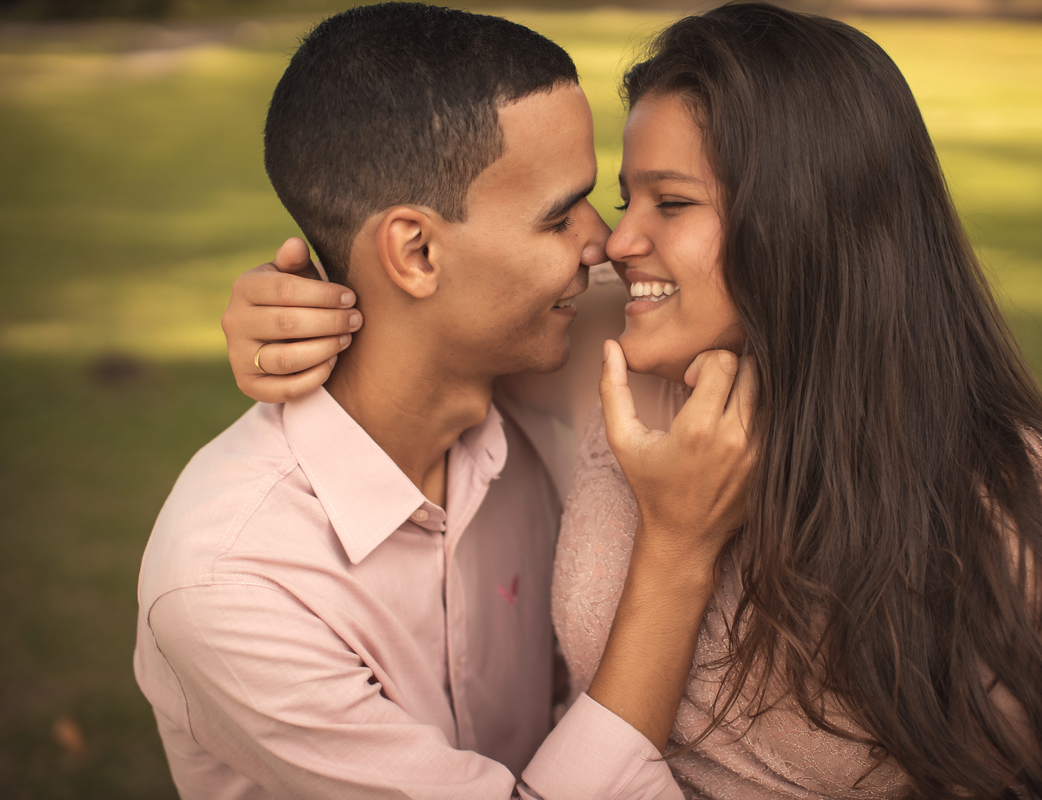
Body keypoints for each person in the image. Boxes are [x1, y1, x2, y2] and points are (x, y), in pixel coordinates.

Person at [225, 4, 1042, 798]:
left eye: (667, 204)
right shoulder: (611, 361)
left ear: (803, 222)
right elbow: (433, 310)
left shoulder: (1002, 501)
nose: (613, 243)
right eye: (615, 199)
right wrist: (294, 313)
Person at [134, 5, 755, 800]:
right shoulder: (233, 587)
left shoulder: (534, 362)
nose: (604, 242)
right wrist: (677, 555)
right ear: (417, 252)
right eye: (559, 216)